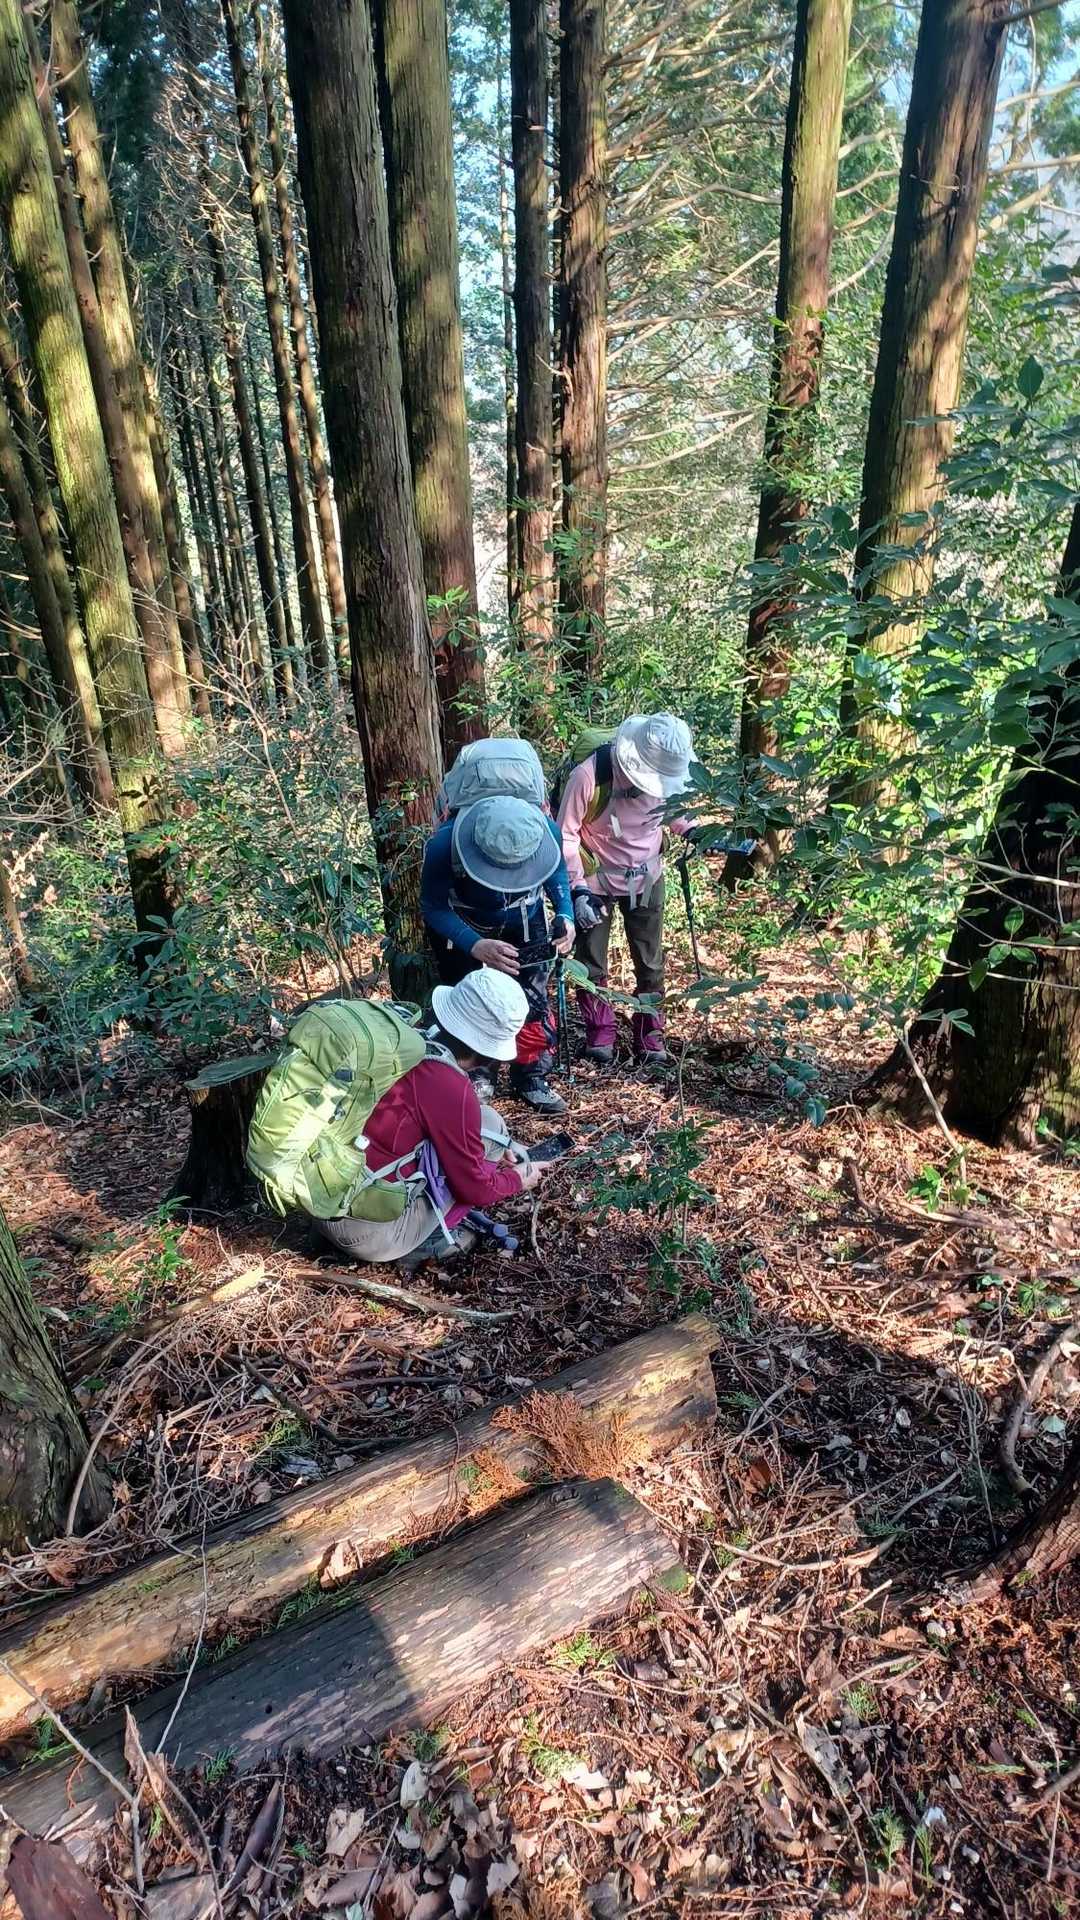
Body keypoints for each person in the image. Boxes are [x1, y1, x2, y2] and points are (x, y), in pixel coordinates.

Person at [318, 969, 548, 1267]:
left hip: (321, 1194)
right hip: (367, 1233)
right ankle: (430, 1241)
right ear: (489, 1051)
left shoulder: (406, 1039)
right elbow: (476, 1189)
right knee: (490, 1129)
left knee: (488, 1124)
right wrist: (516, 1180)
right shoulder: (449, 1085)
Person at [556, 712, 694, 1066]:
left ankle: (650, 1035)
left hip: (647, 878)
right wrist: (577, 890)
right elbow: (566, 834)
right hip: (595, 882)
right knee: (590, 962)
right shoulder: (589, 775)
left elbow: (675, 812)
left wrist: (697, 831)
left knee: (650, 961)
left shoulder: (668, 777)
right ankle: (600, 1033)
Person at [421, 795, 574, 1114]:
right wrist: (474, 944)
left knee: (532, 1000)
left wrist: (565, 914)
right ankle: (477, 1074)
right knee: (471, 1001)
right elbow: (433, 906)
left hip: (526, 918)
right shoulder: (445, 844)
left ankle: (531, 1076)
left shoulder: (544, 831)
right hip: (466, 924)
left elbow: (556, 870)